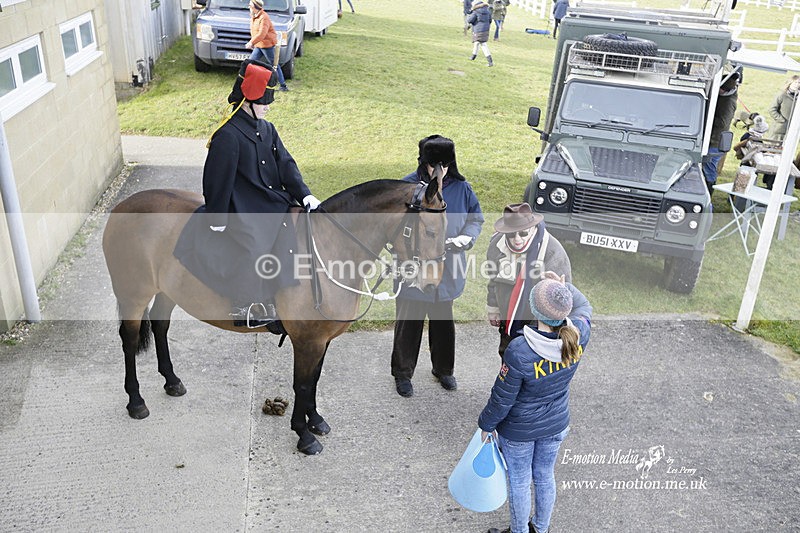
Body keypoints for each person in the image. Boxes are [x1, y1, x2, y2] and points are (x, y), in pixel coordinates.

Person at [173, 59, 321, 328]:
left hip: (272, 201)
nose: (268, 105)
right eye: (264, 100)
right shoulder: (227, 135)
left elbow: (286, 164)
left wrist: (305, 194)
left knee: (292, 232)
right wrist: (217, 218)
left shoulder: (267, 129)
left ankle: (285, 299)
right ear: (249, 100)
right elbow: (217, 181)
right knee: (254, 243)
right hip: (241, 206)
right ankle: (246, 304)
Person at [480, 274, 593, 533]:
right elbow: (584, 305)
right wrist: (563, 289)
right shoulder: (579, 334)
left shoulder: (519, 350)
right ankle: (541, 528)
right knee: (544, 475)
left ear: (533, 309)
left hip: (519, 431)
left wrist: (486, 425)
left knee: (519, 481)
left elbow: (502, 397)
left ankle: (519, 531)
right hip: (556, 424)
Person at [391, 135, 484, 397]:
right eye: (434, 165)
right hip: (414, 267)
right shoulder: (408, 186)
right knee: (409, 321)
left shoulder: (462, 188)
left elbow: (475, 218)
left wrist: (467, 237)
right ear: (424, 163)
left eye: (444, 165)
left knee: (443, 322)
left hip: (448, 268)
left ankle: (444, 369)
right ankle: (402, 373)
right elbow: (395, 226)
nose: (439, 171)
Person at [486, 203, 572, 358]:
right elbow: (493, 279)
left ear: (533, 228)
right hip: (508, 322)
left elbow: (563, 298)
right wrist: (493, 307)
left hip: (539, 325)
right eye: (511, 234)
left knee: (530, 364)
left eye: (523, 234)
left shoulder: (553, 251)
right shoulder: (496, 245)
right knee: (507, 356)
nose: (517, 240)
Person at [702, 71, 739, 196]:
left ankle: (708, 191)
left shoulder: (728, 102)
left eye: (721, 89)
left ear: (725, 90)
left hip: (716, 141)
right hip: (712, 139)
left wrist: (705, 117)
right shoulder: (724, 96)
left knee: (709, 168)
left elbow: (722, 123)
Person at [245, 0, 289, 91]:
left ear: (255, 7)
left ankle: (283, 86)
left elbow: (262, 34)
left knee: (274, 65)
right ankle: (249, 82)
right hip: (259, 45)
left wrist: (251, 42)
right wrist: (255, 43)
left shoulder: (264, 17)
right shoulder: (254, 16)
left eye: (250, 5)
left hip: (267, 45)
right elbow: (255, 31)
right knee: (250, 62)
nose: (248, 7)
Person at [767, 75, 799, 143]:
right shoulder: (782, 95)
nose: (796, 85)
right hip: (779, 129)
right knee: (772, 149)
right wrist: (782, 120)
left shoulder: (798, 98)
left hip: (792, 131)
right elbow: (772, 109)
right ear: (790, 83)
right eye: (795, 82)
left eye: (798, 83)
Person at [467, 1, 494, 67]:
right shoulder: (488, 11)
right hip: (485, 30)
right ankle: (473, 56)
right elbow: (490, 20)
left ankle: (490, 62)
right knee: (477, 43)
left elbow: (470, 20)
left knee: (483, 44)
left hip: (478, 30)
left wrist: (470, 14)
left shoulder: (476, 11)